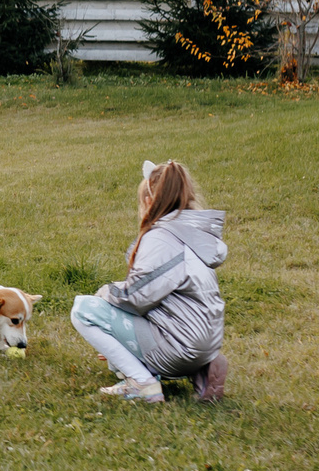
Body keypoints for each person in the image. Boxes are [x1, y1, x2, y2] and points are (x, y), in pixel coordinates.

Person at [71, 159, 228, 403]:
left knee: (84, 310)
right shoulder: (193, 236)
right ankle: (202, 370)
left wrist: (104, 294)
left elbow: (135, 296)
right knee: (120, 322)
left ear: (148, 201)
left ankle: (142, 384)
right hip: (204, 343)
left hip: (179, 348)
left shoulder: (161, 240)